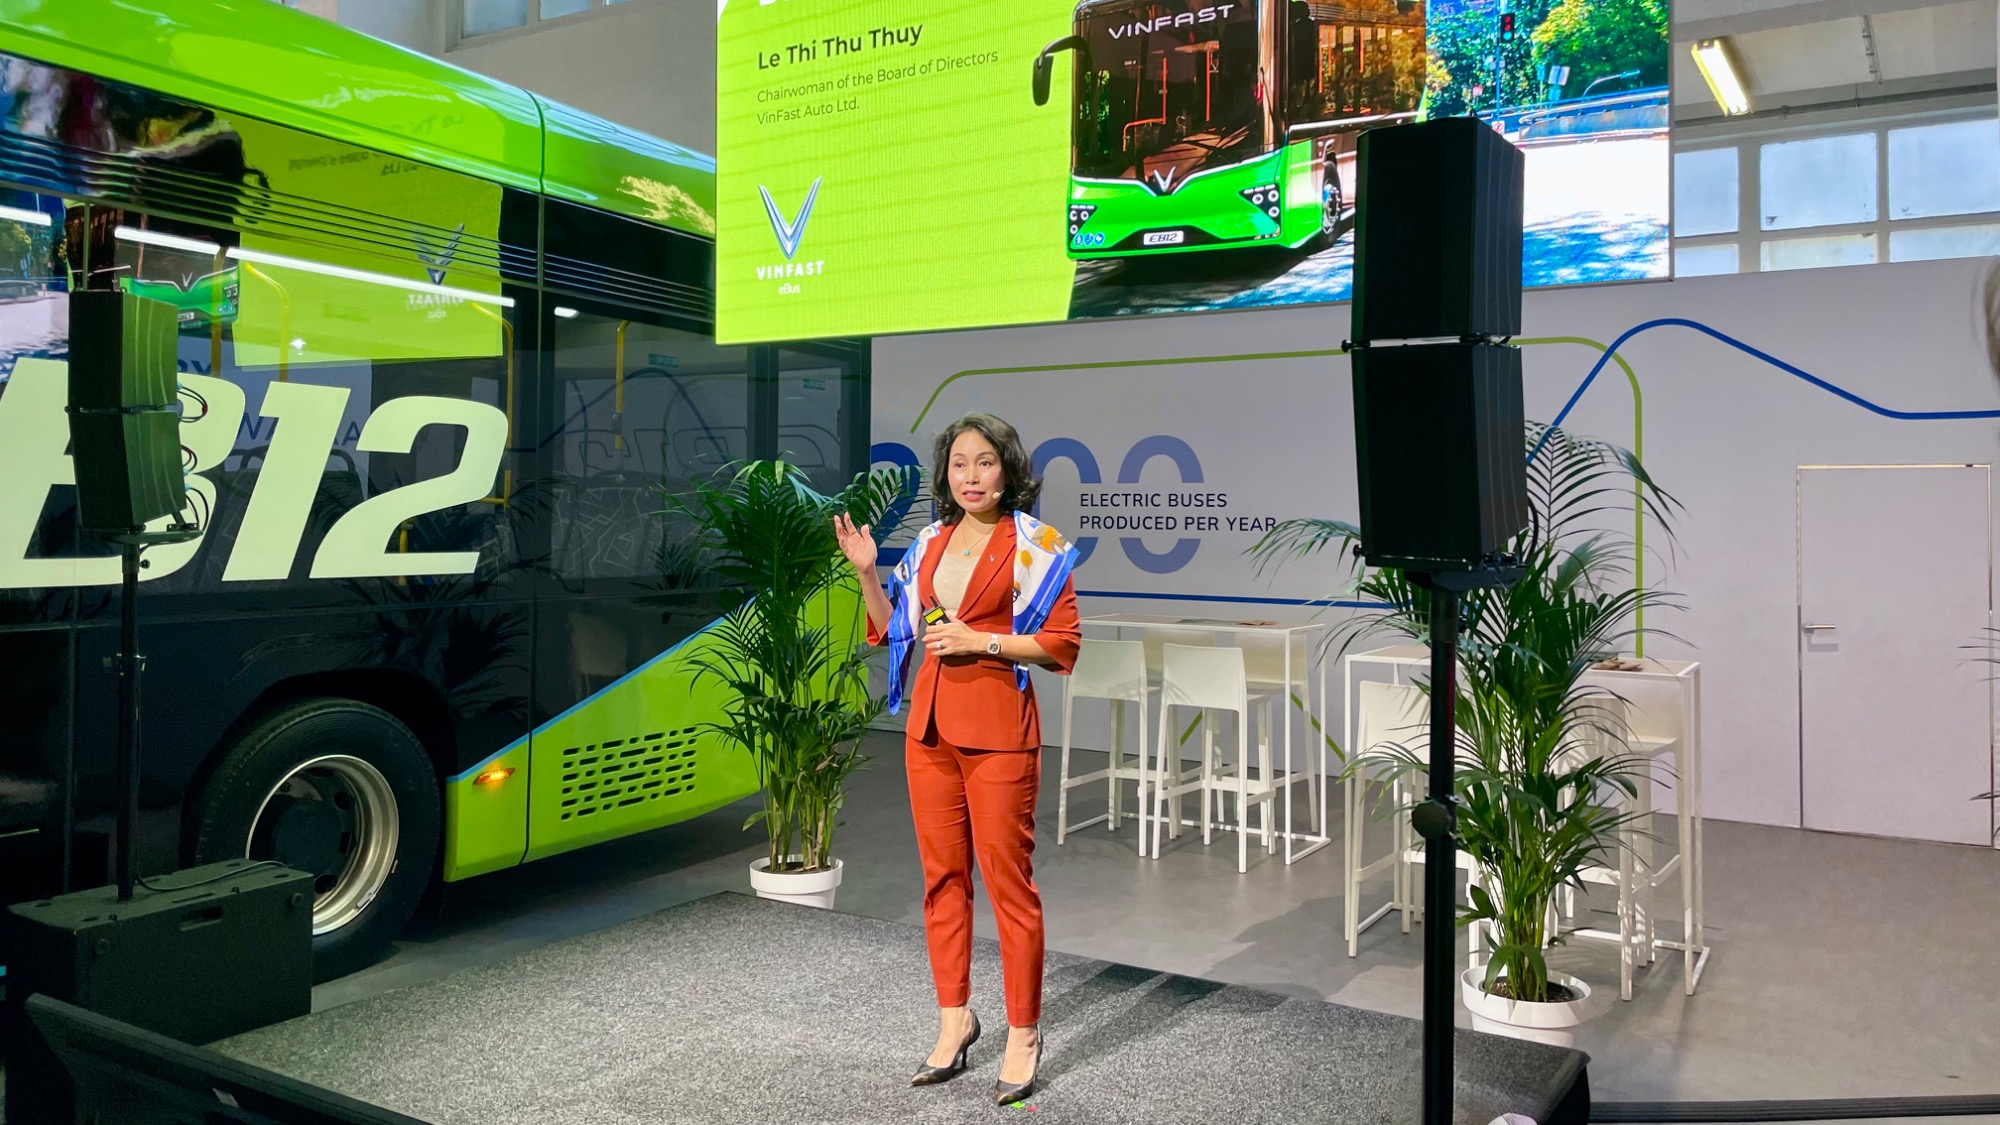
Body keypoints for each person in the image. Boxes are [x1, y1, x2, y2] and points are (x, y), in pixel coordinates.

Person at [832, 412, 1081, 1107]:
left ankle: (1023, 1032)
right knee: (943, 881)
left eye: (985, 462)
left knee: (1009, 888)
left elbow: (1062, 643)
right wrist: (866, 573)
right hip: (931, 732)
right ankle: (955, 1020)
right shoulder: (931, 542)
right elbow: (893, 629)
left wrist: (984, 641)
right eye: (959, 463)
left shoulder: (1037, 546)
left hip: (1000, 733)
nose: (971, 476)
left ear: (1009, 470)